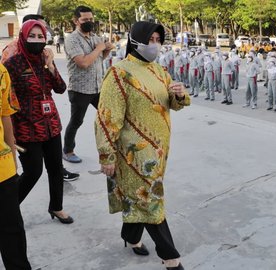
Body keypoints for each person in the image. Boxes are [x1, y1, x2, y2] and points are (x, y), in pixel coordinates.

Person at [95, 21, 188, 270]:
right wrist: (107, 156)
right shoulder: (119, 73)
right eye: (150, 39)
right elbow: (107, 117)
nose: (154, 44)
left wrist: (178, 94)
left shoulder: (159, 71)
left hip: (159, 151)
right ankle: (171, 258)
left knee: (140, 199)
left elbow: (172, 103)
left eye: (158, 39)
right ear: (135, 40)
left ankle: (131, 237)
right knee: (150, 201)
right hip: (134, 154)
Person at [3, 20, 74, 224]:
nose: (37, 40)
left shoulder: (45, 59)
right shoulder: (12, 64)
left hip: (51, 124)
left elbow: (60, 88)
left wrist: (51, 66)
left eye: (40, 36)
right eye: (32, 36)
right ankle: (7, 210)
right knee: (33, 171)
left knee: (56, 169)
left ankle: (56, 207)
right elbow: (6, 96)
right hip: (26, 127)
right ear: (23, 37)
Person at [63, 6, 114, 163]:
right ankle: (68, 150)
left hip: (98, 87)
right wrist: (100, 48)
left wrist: (106, 50)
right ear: (76, 20)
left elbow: (98, 59)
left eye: (91, 19)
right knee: (77, 121)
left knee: (110, 115)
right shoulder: (72, 39)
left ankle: (114, 146)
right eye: (85, 19)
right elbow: (84, 63)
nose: (89, 22)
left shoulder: (94, 37)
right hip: (80, 89)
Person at [0, 63, 33, 270]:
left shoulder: (1, 72)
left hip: (3, 169)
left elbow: (5, 115)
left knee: (12, 229)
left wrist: (12, 156)